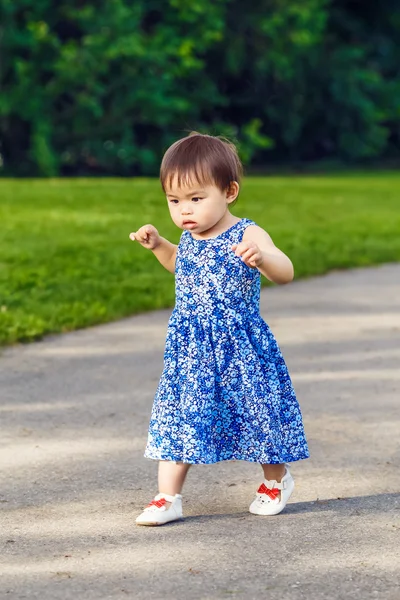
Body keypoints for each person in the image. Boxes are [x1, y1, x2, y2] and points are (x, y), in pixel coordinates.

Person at [130, 132, 309, 526]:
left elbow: (286, 270)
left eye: (195, 199)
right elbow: (182, 265)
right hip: (192, 350)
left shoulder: (247, 233)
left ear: (229, 191)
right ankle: (167, 496)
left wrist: (262, 257)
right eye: (174, 201)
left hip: (239, 348)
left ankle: (275, 481)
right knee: (180, 416)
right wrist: (160, 244)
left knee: (257, 413)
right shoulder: (188, 237)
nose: (184, 211)